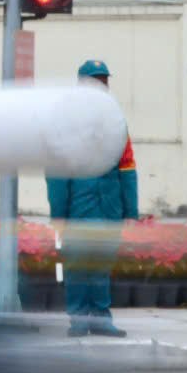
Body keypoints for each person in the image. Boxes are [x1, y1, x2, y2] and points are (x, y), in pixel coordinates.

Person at [47, 59, 138, 338]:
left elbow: (128, 169)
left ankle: (101, 319)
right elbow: (56, 174)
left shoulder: (116, 122)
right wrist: (59, 216)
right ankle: (77, 320)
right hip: (77, 211)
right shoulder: (65, 123)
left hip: (109, 210)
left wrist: (131, 213)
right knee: (74, 267)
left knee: (101, 266)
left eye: (103, 81)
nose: (100, 85)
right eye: (94, 81)